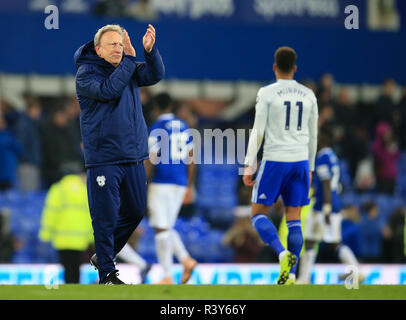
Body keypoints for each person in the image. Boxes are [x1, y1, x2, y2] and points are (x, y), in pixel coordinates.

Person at [74, 24, 164, 284]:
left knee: (135, 211)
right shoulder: (86, 74)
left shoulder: (127, 68)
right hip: (105, 157)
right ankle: (107, 274)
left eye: (120, 44)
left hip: (133, 155)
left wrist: (149, 51)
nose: (119, 48)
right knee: (105, 216)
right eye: (112, 44)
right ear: (98, 50)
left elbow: (155, 74)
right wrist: (129, 60)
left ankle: (105, 254)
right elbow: (109, 90)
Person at [243, 46, 318, 285]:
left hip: (275, 160)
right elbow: (314, 135)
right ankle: (292, 275)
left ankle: (282, 253)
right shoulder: (309, 95)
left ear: (274, 67)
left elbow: (259, 130)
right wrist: (311, 168)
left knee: (257, 214)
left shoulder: (267, 93)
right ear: (295, 68)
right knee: (294, 218)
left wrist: (248, 163)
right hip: (300, 161)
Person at [296, 128, 363, 284]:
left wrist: (325, 207)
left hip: (324, 206)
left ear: (322, 140)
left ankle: (304, 278)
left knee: (311, 241)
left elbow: (326, 183)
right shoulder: (332, 156)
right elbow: (334, 185)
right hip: (332, 202)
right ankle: (356, 270)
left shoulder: (323, 157)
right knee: (334, 242)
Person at [145, 92, 197, 284]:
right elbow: (191, 158)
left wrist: (143, 182)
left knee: (161, 228)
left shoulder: (156, 127)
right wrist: (189, 186)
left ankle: (167, 275)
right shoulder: (184, 126)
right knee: (166, 226)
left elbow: (151, 158)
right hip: (180, 183)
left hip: (161, 181)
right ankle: (186, 260)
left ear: (156, 108)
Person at [39, 173, 94, 284]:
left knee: (67, 268)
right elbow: (91, 214)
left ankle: (69, 289)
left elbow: (51, 212)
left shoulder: (58, 189)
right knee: (76, 267)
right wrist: (91, 237)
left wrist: (45, 234)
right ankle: (75, 290)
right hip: (79, 239)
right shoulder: (85, 190)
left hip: (62, 239)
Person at [0, 114, 22, 191]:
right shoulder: (9, 137)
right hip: (7, 172)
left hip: (7, 172)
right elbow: (19, 149)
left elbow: (19, 149)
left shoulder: (9, 136)